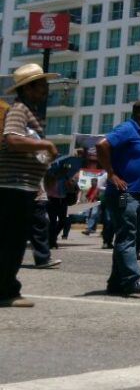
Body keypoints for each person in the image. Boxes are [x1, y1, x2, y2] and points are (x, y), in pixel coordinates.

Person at [0, 64, 60, 308]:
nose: (46, 89)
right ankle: (6, 291)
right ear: (29, 88)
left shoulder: (31, 112)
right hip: (12, 186)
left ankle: (7, 288)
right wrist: (45, 145)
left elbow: (28, 150)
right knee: (10, 242)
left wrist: (49, 165)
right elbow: (12, 139)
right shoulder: (19, 110)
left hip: (25, 186)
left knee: (13, 241)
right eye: (42, 84)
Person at [96, 100, 140, 296]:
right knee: (127, 234)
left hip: (136, 194)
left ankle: (116, 283)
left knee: (127, 235)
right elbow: (102, 145)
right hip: (124, 195)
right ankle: (132, 279)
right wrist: (111, 173)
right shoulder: (127, 129)